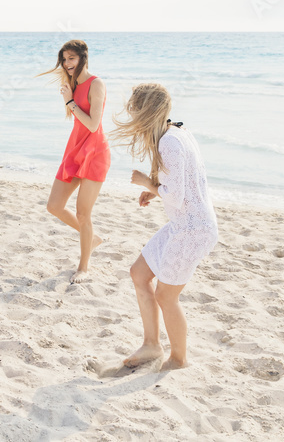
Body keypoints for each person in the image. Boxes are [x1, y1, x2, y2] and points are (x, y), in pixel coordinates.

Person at [110, 83, 218, 371]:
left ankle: (178, 359)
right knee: (139, 273)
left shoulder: (170, 141)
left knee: (166, 295)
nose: (132, 115)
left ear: (145, 111)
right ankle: (151, 345)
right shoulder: (176, 131)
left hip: (193, 229)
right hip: (183, 224)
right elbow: (181, 184)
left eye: (134, 109)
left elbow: (177, 195)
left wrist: (147, 182)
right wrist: (156, 189)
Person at [41, 39, 110, 282]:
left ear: (83, 58)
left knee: (83, 214)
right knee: (54, 206)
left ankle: (83, 268)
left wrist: (70, 102)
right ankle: (92, 238)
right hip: (74, 150)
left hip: (95, 153)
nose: (67, 63)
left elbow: (92, 124)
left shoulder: (96, 84)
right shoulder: (70, 84)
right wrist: (69, 98)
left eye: (72, 58)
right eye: (64, 59)